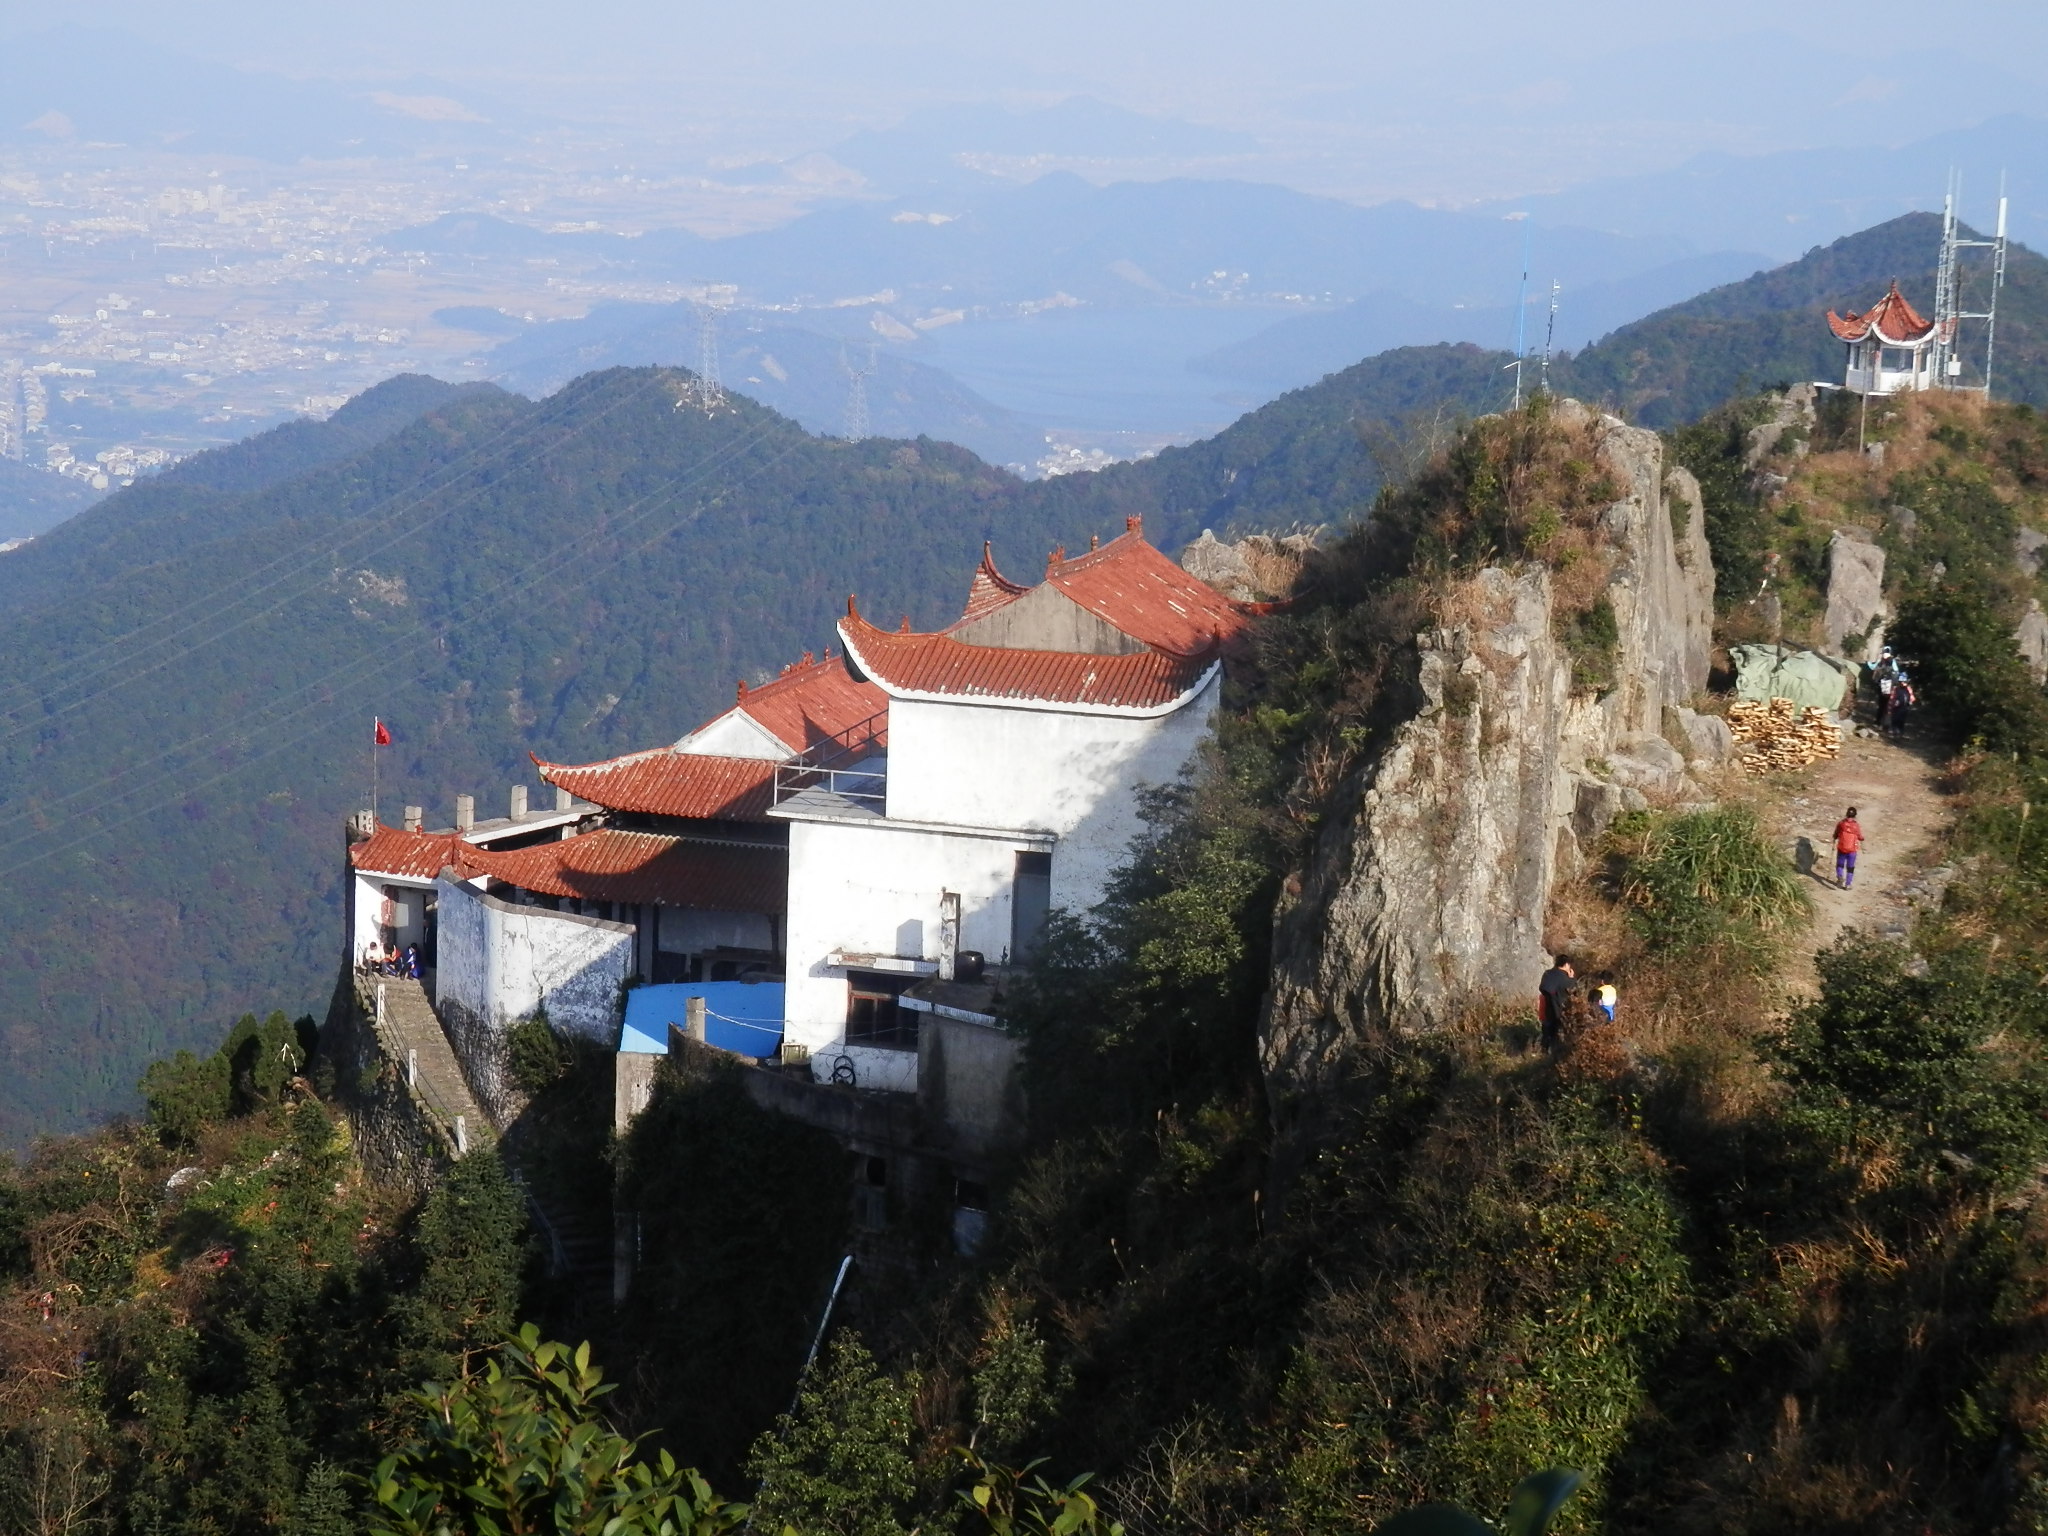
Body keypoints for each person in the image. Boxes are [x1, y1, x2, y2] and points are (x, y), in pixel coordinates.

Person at [1537, 955, 1577, 1053]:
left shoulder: (1547, 974)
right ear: (1567, 964)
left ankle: (1543, 1053)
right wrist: (1571, 979)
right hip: (1562, 1011)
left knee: (1547, 1036)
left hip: (1547, 1011)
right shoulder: (1566, 979)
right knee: (1560, 1038)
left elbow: (1543, 988)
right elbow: (1573, 992)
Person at [1833, 806, 1863, 889]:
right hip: (1852, 850)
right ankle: (1848, 884)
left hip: (1842, 848)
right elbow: (1860, 836)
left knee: (1840, 864)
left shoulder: (1841, 823)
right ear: (1855, 815)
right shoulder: (1856, 825)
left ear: (1847, 814)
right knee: (1850, 867)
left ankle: (1840, 877)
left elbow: (1836, 834)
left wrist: (1835, 837)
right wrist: (1862, 838)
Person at [1888, 675, 1915, 739]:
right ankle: (1895, 733)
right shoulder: (1896, 689)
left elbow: (1912, 697)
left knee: (1902, 721)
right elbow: (1892, 698)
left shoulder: (1908, 689)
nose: (1902, 683)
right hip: (1896, 708)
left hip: (1904, 707)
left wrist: (1910, 702)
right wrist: (1891, 706)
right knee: (1895, 720)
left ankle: (1901, 733)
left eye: (1904, 682)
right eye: (1901, 681)